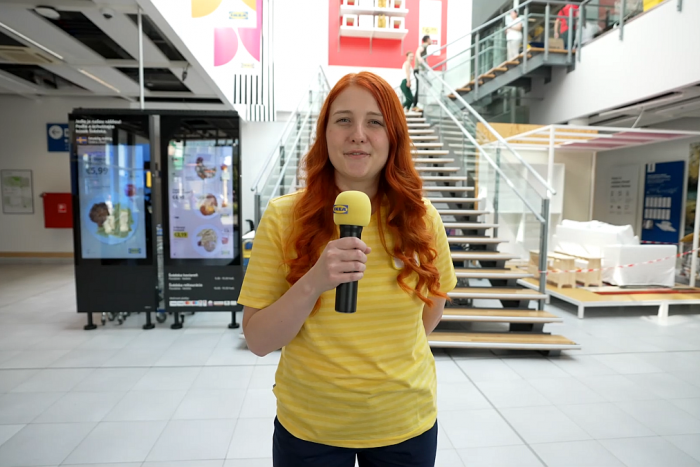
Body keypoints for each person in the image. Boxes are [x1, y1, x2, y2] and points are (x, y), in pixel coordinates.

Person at [238, 71, 457, 467]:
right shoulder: (283, 217)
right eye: (343, 120)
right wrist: (313, 282)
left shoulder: (423, 219)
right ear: (324, 134)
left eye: (375, 122)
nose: (358, 135)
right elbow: (257, 340)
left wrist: (385, 365)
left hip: (405, 420)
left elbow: (431, 310)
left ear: (394, 136)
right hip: (310, 426)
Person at [412, 34, 431, 112]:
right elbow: (418, 51)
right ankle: (415, 105)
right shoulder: (424, 46)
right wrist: (419, 58)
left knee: (420, 88)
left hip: (419, 70)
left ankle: (415, 105)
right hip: (418, 70)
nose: (431, 41)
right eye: (430, 39)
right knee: (421, 87)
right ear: (428, 39)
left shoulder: (425, 47)